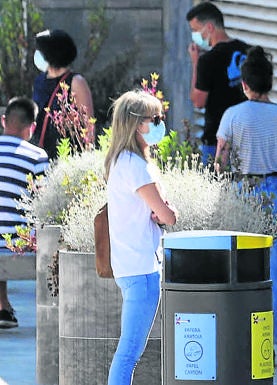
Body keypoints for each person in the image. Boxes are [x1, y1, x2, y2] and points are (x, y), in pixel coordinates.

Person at [214, 46, 277, 353]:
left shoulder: (233, 115)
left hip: (244, 192)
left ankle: (240, 334)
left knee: (242, 266)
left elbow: (221, 161)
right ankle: (267, 342)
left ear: (244, 84)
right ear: (270, 82)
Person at [104, 90, 177, 384]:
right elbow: (168, 215)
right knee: (129, 352)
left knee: (130, 350)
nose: (160, 123)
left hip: (131, 265)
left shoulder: (121, 161)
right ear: (136, 124)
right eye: (155, 118)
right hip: (141, 269)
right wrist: (166, 211)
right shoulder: (135, 166)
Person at [0, 97, 49, 329]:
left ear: (3, 121)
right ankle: (3, 307)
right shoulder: (38, 157)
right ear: (33, 127)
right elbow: (44, 204)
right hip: (21, 245)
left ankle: (3, 306)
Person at [186, 1, 250, 164]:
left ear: (209, 28)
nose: (194, 36)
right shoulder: (248, 50)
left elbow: (198, 101)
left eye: (195, 30)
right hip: (247, 136)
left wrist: (195, 63)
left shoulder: (208, 60)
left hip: (217, 139)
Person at [31, 29, 94, 159]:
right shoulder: (39, 81)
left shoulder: (76, 82)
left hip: (66, 156)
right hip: (39, 155)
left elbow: (88, 126)